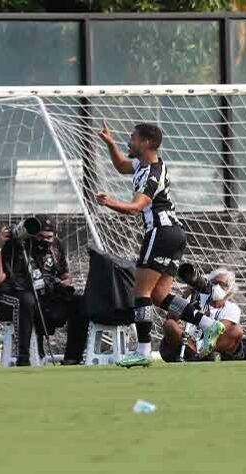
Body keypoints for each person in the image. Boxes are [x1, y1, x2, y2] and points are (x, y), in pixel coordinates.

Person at [95, 121, 224, 368]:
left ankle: (143, 351)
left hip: (161, 233)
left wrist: (108, 202)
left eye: (132, 138)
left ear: (145, 143)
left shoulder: (152, 175)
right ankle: (209, 325)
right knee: (159, 295)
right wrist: (110, 144)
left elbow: (136, 207)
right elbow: (122, 165)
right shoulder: (144, 165)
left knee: (141, 293)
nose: (128, 141)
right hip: (174, 234)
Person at [0, 215, 88, 366]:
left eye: (49, 237)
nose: (45, 240)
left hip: (45, 298)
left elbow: (66, 275)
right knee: (26, 300)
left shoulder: (55, 246)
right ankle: (23, 358)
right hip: (11, 298)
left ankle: (72, 358)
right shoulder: (15, 245)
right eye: (40, 236)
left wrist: (59, 285)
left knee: (79, 302)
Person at [159, 268, 244, 362]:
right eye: (214, 283)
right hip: (188, 342)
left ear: (230, 289)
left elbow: (219, 331)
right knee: (170, 325)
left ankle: (201, 355)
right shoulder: (195, 298)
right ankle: (196, 355)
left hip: (211, 344)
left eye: (222, 284)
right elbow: (171, 317)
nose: (217, 287)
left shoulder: (232, 309)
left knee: (236, 331)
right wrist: (186, 294)